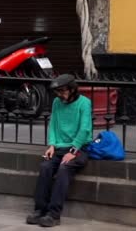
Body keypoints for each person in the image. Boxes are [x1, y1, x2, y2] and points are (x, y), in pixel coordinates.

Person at [26, 74, 93, 227]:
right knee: (45, 167)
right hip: (59, 147)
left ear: (73, 90)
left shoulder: (84, 103)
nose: (60, 95)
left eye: (63, 91)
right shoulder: (57, 102)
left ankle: (54, 214)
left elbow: (84, 129)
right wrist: (51, 145)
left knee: (64, 168)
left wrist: (73, 151)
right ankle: (39, 210)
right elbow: (53, 125)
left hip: (79, 147)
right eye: (58, 92)